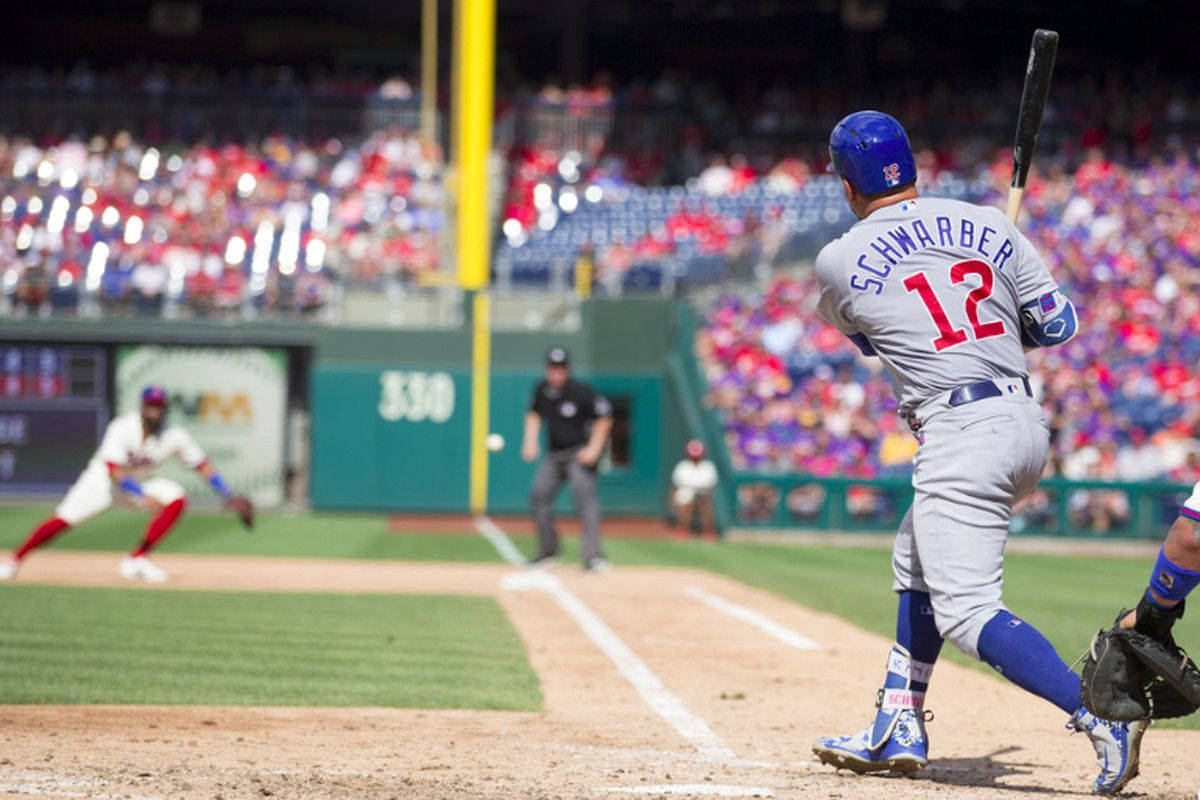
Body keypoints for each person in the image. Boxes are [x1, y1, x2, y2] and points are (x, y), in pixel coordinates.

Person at [808, 111, 1143, 795]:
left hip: (960, 430)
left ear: (848, 185)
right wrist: (1011, 311)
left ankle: (1099, 713)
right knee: (917, 558)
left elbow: (874, 339)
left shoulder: (838, 259)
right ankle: (898, 720)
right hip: (1022, 421)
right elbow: (1058, 323)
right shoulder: (991, 224)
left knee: (965, 610)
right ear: (913, 167)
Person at [0, 385, 249, 583]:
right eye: (151, 404)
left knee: (177, 497)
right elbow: (113, 471)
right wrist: (141, 494)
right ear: (142, 406)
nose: (155, 410)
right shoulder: (122, 427)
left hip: (138, 482)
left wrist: (226, 492)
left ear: (165, 408)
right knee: (63, 519)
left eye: (159, 405)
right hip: (102, 483)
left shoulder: (174, 435)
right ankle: (14, 561)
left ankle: (137, 558)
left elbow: (201, 464)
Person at [521, 347, 613, 572]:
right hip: (554, 455)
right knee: (539, 494)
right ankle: (548, 550)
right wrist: (530, 440)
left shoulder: (580, 391)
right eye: (553, 368)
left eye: (560, 369)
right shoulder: (541, 390)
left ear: (567, 370)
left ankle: (593, 556)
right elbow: (533, 414)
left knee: (583, 498)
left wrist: (593, 449)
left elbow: (604, 419)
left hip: (578, 454)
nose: (556, 374)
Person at [669, 439, 719, 540]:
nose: (695, 458)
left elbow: (711, 486)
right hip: (686, 494)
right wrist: (672, 500)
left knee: (704, 504)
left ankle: (708, 530)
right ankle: (682, 529)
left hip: (703, 494)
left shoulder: (708, 466)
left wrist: (702, 493)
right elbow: (676, 486)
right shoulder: (683, 466)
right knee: (686, 502)